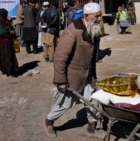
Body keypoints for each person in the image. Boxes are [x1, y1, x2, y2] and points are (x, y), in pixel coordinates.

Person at [44, 2, 102, 138]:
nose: (99, 19)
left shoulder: (93, 28)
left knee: (93, 101)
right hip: (72, 77)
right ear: (87, 16)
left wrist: (93, 75)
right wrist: (60, 80)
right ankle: (49, 122)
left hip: (87, 75)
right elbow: (60, 57)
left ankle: (91, 128)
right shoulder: (72, 31)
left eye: (100, 16)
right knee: (63, 105)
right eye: (97, 16)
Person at [0, 8, 19, 77]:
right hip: (2, 42)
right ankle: (6, 70)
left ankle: (11, 70)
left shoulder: (6, 21)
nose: (6, 15)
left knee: (10, 56)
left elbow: (10, 28)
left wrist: (11, 25)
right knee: (4, 57)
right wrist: (10, 32)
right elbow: (1, 32)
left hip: (9, 41)